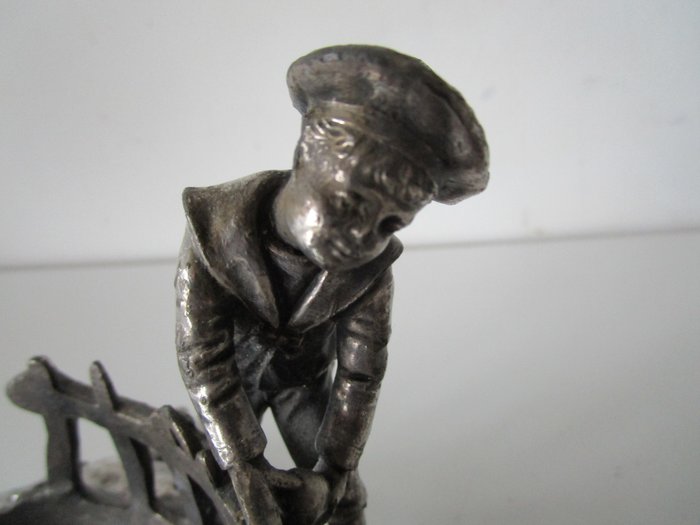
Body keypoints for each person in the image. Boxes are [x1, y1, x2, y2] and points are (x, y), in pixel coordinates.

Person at [175, 45, 489, 524]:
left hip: (303, 386)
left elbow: (361, 372)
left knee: (344, 502)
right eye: (348, 202)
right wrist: (242, 461)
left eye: (389, 224)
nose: (361, 238)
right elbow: (201, 356)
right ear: (305, 156)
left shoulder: (372, 270)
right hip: (228, 386)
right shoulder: (211, 227)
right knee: (219, 493)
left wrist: (338, 469)